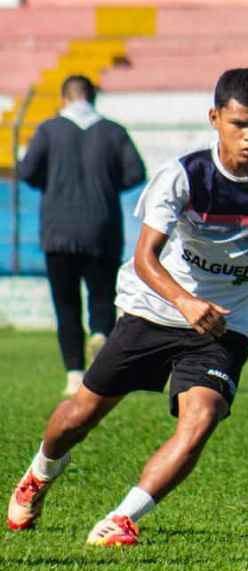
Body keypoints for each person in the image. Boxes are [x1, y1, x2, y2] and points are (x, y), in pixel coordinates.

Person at [7, 68, 248, 545]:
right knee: (81, 415)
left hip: (223, 327)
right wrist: (187, 302)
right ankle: (38, 475)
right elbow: (144, 257)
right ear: (215, 118)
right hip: (154, 310)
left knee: (203, 418)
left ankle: (122, 519)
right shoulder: (184, 175)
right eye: (239, 124)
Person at [16, 75, 147, 396]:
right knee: (102, 296)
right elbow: (135, 173)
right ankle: (101, 333)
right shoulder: (114, 132)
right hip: (102, 227)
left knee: (66, 304)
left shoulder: (48, 130)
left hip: (58, 230)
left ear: (64, 98)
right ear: (93, 98)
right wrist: (103, 184)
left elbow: (27, 171)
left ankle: (74, 374)